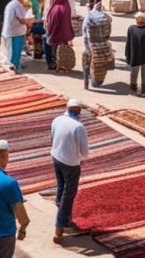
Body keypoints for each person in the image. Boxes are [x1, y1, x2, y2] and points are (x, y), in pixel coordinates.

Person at [50, 100, 89, 244]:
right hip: (71, 163)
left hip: (56, 157)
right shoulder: (79, 127)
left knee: (61, 188)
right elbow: (84, 152)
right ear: (79, 110)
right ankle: (59, 227)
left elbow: (53, 138)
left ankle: (65, 219)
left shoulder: (57, 119)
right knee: (69, 194)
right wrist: (80, 160)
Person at [1, 0, 34, 73]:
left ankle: (15, 67)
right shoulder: (14, 5)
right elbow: (21, 19)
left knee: (16, 52)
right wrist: (31, 21)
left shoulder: (19, 4)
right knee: (12, 54)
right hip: (12, 33)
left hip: (18, 32)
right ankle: (12, 69)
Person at [81, 3, 113, 89]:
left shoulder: (88, 18)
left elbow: (85, 34)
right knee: (101, 67)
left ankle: (86, 83)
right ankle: (96, 82)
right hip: (104, 47)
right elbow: (109, 33)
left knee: (86, 62)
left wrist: (87, 48)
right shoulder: (106, 18)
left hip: (92, 46)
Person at [125, 13, 145, 97]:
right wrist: (127, 55)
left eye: (141, 18)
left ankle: (143, 90)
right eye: (138, 18)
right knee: (134, 73)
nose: (140, 20)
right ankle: (133, 87)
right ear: (136, 20)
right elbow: (128, 43)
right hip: (135, 56)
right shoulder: (131, 29)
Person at [45, 0, 75, 72]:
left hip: (54, 34)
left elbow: (48, 21)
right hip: (63, 34)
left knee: (54, 49)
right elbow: (67, 23)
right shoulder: (66, 8)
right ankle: (63, 65)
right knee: (63, 50)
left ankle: (55, 64)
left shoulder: (53, 8)